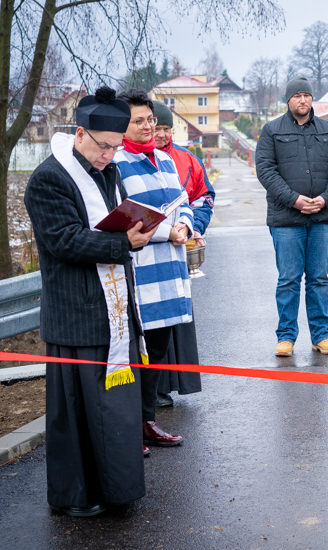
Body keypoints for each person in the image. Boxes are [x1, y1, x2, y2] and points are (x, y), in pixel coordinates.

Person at [24, 86, 155, 517]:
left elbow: (111, 223)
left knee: (114, 413)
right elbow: (62, 240)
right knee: (78, 417)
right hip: (76, 314)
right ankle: (77, 496)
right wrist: (124, 243)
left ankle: (118, 489)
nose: (109, 156)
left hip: (112, 311)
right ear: (80, 133)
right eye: (104, 147)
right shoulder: (48, 178)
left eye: (116, 148)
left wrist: (137, 227)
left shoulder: (109, 170)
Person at [115, 90, 194, 450]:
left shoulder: (164, 160)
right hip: (140, 270)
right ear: (122, 125)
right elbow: (124, 213)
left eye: (151, 120)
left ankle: (147, 421)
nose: (148, 127)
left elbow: (183, 201)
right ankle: (127, 426)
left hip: (171, 269)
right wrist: (168, 231)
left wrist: (187, 227)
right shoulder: (115, 163)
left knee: (158, 351)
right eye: (139, 121)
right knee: (135, 353)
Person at [255, 76, 328, 357]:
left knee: (319, 278)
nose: (303, 100)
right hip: (286, 219)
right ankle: (286, 336)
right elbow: (266, 171)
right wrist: (294, 200)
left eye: (307, 95)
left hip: (321, 217)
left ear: (312, 99)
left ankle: (322, 335)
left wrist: (325, 198)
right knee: (289, 278)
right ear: (288, 100)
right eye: (297, 95)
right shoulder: (272, 131)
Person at [152, 100, 215, 406]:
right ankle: (156, 389)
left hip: (182, 246)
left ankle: (178, 382)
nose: (162, 134)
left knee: (179, 320)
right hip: (150, 252)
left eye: (166, 128)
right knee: (156, 323)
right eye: (157, 128)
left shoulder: (187, 160)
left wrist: (194, 227)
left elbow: (203, 197)